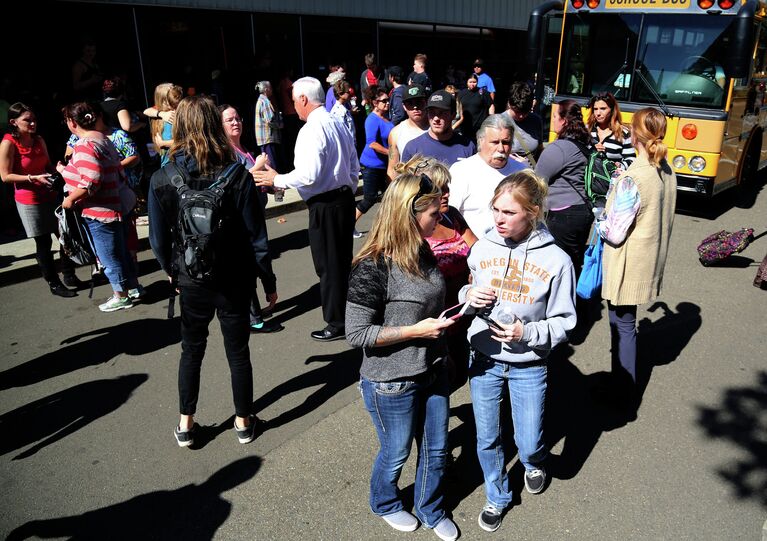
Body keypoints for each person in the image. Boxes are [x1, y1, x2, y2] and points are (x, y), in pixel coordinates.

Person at [147, 95, 278, 447]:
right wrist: (267, 280)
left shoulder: (163, 177)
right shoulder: (237, 174)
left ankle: (186, 424)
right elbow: (256, 236)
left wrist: (172, 272)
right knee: (237, 351)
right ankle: (243, 421)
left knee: (191, 349)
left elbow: (157, 240)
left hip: (191, 278)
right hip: (234, 279)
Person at [459, 171, 576, 532]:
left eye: (509, 213)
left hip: (528, 364)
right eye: (496, 210)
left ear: (534, 212)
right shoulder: (482, 247)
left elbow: (565, 322)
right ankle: (497, 496)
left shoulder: (557, 261)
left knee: (528, 440)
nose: (498, 219)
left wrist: (527, 331)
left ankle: (534, 462)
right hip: (483, 359)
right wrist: (469, 298)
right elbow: (466, 292)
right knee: (488, 436)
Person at [345, 173, 459, 541]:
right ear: (409, 215)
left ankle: (431, 508)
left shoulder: (421, 249)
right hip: (390, 381)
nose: (439, 218)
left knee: (437, 449)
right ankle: (385, 503)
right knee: (395, 453)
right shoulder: (372, 266)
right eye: (432, 212)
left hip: (434, 367)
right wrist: (415, 332)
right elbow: (356, 333)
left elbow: (428, 302)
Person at [253, 77, 359, 342]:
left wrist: (276, 180)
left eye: (293, 100)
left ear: (303, 99)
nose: (293, 106)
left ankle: (337, 322)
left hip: (326, 204)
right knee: (340, 262)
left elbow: (308, 175)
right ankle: (345, 316)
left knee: (328, 266)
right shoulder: (337, 120)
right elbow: (353, 163)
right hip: (343, 199)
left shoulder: (312, 128)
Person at [594, 107, 677, 412]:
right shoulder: (665, 169)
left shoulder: (634, 177)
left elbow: (614, 233)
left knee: (623, 326)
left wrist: (599, 218)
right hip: (649, 261)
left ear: (636, 135)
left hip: (628, 264)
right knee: (626, 324)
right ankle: (620, 383)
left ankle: (623, 393)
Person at [398, 156, 478, 390]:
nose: (447, 193)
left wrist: (476, 269)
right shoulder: (412, 230)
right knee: (439, 380)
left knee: (460, 374)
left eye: (447, 187)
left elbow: (476, 248)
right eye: (439, 189)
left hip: (462, 312)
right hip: (434, 319)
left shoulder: (451, 215)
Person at [58, 102, 141, 312]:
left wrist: (70, 199)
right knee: (120, 251)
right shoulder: (102, 138)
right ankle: (132, 288)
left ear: (71, 122)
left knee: (107, 255)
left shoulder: (85, 144)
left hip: (100, 210)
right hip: (115, 204)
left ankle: (120, 296)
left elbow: (92, 180)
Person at [0, 103, 80, 297]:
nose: (33, 123)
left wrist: (58, 171)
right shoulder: (9, 142)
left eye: (34, 119)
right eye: (27, 120)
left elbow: (48, 165)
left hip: (50, 194)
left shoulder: (38, 140)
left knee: (64, 236)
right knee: (43, 242)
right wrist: (32, 178)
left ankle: (69, 274)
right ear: (13, 122)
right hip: (29, 200)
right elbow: (5, 176)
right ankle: (54, 283)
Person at [219, 103, 283, 334]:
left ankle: (262, 303)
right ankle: (254, 317)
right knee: (252, 261)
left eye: (238, 118)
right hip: (240, 220)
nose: (236, 122)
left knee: (257, 258)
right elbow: (232, 184)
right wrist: (257, 166)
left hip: (254, 214)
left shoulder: (242, 148)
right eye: (229, 120)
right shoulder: (224, 152)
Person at [534, 99, 592, 277]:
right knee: (574, 261)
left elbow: (537, 181)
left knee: (559, 265)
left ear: (564, 121)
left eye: (554, 116)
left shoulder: (559, 148)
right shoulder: (584, 143)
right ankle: (575, 299)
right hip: (583, 210)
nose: (552, 120)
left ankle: (565, 301)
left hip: (562, 214)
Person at [448, 114, 526, 237]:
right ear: (481, 141)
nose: (501, 148)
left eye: (506, 142)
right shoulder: (462, 171)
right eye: (495, 142)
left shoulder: (522, 173)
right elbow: (449, 216)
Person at [401, 90, 475, 166]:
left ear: (453, 115)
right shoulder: (413, 148)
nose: (436, 118)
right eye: (432, 112)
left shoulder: (468, 147)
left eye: (442, 113)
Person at [355, 86, 393, 236]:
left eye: (388, 100)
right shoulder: (372, 119)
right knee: (369, 198)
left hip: (385, 165)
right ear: (374, 103)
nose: (387, 103)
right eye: (384, 101)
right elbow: (372, 143)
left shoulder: (386, 116)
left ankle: (388, 228)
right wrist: (391, 152)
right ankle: (349, 226)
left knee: (390, 198)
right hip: (371, 165)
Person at [386, 84, 429, 181]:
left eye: (419, 102)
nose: (415, 107)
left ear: (426, 102)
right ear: (404, 106)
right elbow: (392, 169)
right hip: (408, 188)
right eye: (410, 103)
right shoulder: (396, 133)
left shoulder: (436, 127)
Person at [586, 92, 636, 172]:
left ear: (612, 110)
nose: (598, 113)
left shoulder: (624, 133)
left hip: (610, 182)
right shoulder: (586, 130)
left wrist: (619, 166)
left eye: (603, 109)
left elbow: (631, 159)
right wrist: (592, 151)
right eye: (595, 109)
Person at [502, 81, 544, 167]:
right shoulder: (499, 121)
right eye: (517, 111)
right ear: (509, 104)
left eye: (525, 112)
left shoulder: (536, 120)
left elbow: (540, 149)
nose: (521, 116)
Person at [254, 81, 284, 173]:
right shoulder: (265, 101)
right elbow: (269, 120)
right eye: (270, 88)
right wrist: (280, 125)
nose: (272, 90)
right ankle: (274, 184)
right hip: (268, 137)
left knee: (267, 162)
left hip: (264, 138)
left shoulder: (261, 100)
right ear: (266, 89)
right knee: (271, 163)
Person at [457, 74, 493, 143]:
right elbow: (458, 108)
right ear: (466, 82)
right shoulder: (461, 93)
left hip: (480, 127)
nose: (472, 84)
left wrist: (491, 119)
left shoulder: (483, 92)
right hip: (465, 126)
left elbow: (491, 105)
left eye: (474, 82)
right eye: (470, 82)